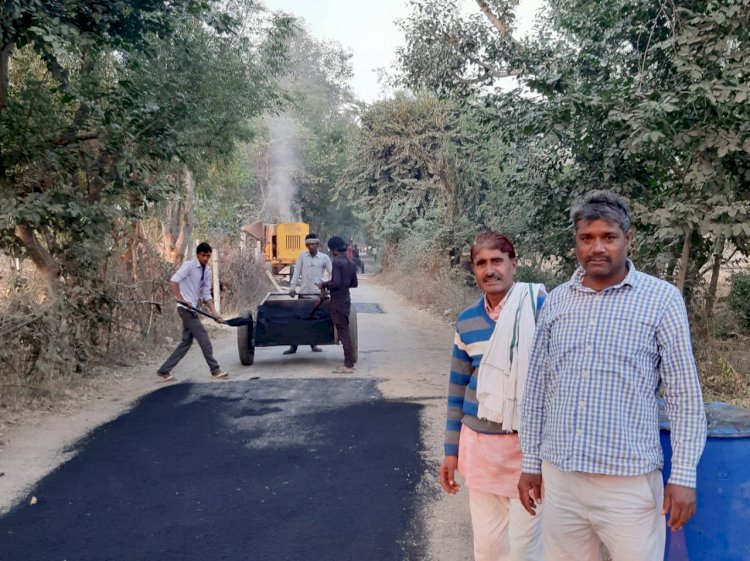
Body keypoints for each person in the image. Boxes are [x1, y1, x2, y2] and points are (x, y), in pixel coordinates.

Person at [518, 190, 707, 561]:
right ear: (576, 242)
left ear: (628, 239)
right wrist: (530, 464)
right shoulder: (557, 301)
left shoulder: (661, 300)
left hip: (628, 485)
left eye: (609, 237)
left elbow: (683, 395)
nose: (597, 248)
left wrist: (684, 475)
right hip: (561, 480)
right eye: (587, 238)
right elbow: (538, 387)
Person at [439, 232, 545, 561]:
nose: (490, 270)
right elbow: (457, 388)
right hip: (481, 449)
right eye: (481, 263)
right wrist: (450, 451)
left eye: (497, 261)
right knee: (488, 547)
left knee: (527, 547)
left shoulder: (539, 308)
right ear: (473, 270)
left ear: (514, 264)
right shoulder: (467, 320)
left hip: (528, 451)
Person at [156, 242, 228, 382]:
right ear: (197, 254)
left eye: (208, 256)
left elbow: (206, 295)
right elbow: (174, 281)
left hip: (192, 308)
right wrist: (181, 299)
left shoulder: (207, 272)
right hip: (184, 309)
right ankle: (215, 370)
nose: (206, 258)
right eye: (203, 255)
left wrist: (215, 313)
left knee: (186, 342)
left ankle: (164, 370)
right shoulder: (189, 265)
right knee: (204, 338)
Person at [285, 233, 333, 355]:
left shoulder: (324, 258)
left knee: (314, 321)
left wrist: (325, 284)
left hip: (317, 295)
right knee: (298, 320)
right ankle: (293, 346)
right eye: (309, 244)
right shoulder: (302, 256)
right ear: (306, 246)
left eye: (313, 244)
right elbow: (296, 273)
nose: (311, 247)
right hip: (303, 293)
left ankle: (314, 345)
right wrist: (292, 287)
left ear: (318, 245)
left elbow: (332, 272)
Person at [317, 236, 358, 373]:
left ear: (334, 250)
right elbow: (354, 284)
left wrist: (324, 284)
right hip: (346, 299)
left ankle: (348, 365)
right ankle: (350, 361)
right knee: (345, 330)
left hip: (338, 301)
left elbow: (336, 283)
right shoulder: (350, 262)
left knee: (343, 332)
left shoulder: (337, 262)